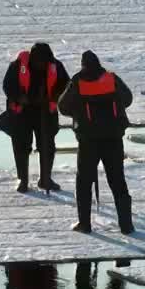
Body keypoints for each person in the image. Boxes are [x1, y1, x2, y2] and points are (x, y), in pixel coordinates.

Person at [58, 50, 134, 234]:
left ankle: (84, 224)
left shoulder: (77, 81)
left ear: (83, 64)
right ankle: (126, 225)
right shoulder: (111, 78)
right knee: (118, 182)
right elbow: (128, 99)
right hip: (113, 139)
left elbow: (63, 107)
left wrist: (79, 111)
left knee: (84, 182)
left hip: (88, 140)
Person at [2, 43, 69, 193]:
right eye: (39, 61)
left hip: (45, 111)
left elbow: (66, 85)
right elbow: (8, 85)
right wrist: (19, 97)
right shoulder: (18, 65)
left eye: (44, 62)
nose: (42, 64)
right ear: (32, 58)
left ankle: (45, 179)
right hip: (22, 112)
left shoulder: (56, 66)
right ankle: (23, 180)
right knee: (21, 146)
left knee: (47, 146)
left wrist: (55, 96)